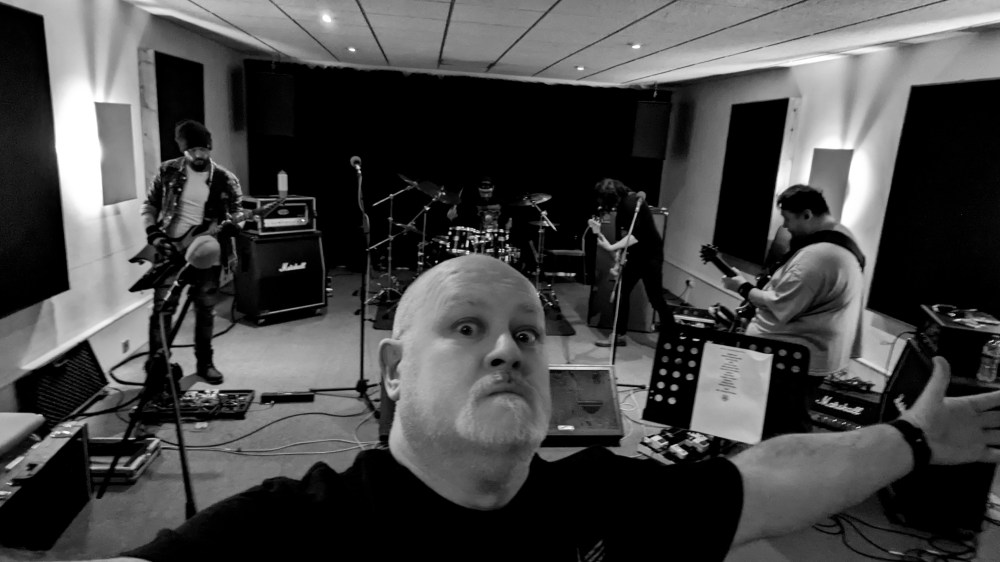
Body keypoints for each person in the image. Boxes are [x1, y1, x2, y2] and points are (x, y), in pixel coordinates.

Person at [80, 254, 998, 561]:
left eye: (526, 331)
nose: (508, 348)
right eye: (467, 327)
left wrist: (912, 443)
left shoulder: (605, 498)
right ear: (393, 369)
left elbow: (771, 479)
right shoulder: (287, 533)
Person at [721, 184, 865, 435]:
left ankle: (783, 456)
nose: (785, 226)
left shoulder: (816, 257)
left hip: (794, 359)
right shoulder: (842, 236)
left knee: (783, 423)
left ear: (807, 214)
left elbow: (781, 305)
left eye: (788, 219)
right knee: (791, 416)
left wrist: (742, 287)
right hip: (814, 353)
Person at [141, 120, 243, 385]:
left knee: (205, 308)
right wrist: (153, 233)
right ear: (183, 149)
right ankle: (158, 366)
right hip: (170, 249)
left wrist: (236, 225)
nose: (199, 155)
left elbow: (238, 212)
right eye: (193, 150)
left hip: (207, 252)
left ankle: (205, 363)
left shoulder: (225, 179)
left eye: (204, 149)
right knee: (163, 309)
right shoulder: (167, 171)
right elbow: (150, 205)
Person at [588, 178, 674, 347]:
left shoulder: (631, 203)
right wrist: (617, 258)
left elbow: (636, 235)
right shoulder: (622, 206)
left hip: (650, 256)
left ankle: (673, 338)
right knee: (621, 293)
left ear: (610, 196)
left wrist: (611, 247)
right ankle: (619, 335)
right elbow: (622, 236)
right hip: (635, 255)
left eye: (603, 199)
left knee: (656, 298)